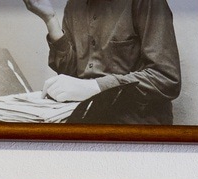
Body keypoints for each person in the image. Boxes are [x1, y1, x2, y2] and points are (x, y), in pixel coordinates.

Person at [21, 0, 182, 124]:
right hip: (86, 119)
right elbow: (71, 72)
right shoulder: (74, 5)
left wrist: (94, 87)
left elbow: (166, 79)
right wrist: (50, 19)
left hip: (135, 125)